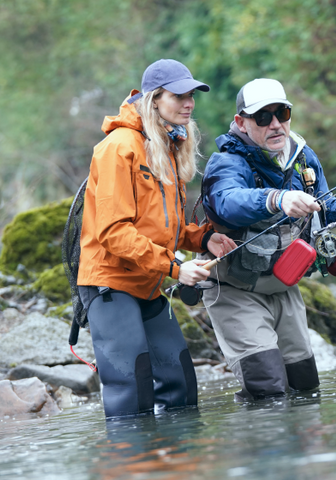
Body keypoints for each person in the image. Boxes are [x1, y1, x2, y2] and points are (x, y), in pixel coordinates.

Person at [200, 78, 336, 402]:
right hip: (235, 293)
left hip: (286, 290)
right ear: (241, 123)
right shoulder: (227, 162)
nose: (275, 124)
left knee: (305, 388)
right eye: (263, 117)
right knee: (268, 390)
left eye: (282, 113)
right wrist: (276, 199)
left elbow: (322, 204)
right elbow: (226, 201)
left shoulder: (303, 158)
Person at [77, 59, 236, 418]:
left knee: (181, 387)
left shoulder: (167, 144)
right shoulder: (118, 147)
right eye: (179, 95)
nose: (189, 103)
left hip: (148, 282)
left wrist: (202, 240)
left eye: (191, 95)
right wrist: (176, 269)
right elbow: (114, 232)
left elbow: (167, 227)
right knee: (132, 393)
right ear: (153, 100)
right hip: (109, 285)